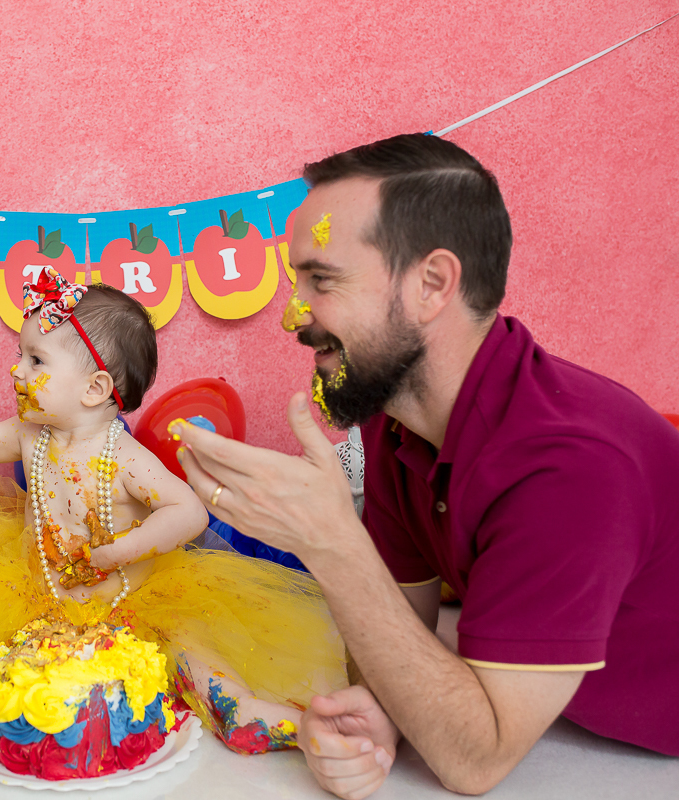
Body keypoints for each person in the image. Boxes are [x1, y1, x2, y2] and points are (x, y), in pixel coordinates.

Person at [172, 133, 679, 797]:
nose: (294, 314)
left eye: (322, 279)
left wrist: (331, 542)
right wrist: (382, 721)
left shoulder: (571, 467)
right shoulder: (397, 417)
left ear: (432, 284)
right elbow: (395, 639)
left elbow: (475, 761)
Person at [0, 268, 348, 755]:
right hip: (35, 595)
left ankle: (238, 706)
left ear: (94, 389)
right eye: (19, 355)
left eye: (36, 360)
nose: (16, 370)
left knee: (189, 649)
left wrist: (117, 552)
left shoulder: (124, 458)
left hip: (128, 603)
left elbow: (189, 513)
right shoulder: (30, 436)